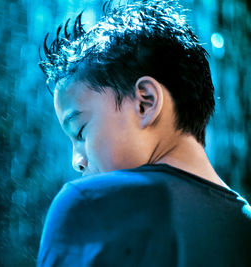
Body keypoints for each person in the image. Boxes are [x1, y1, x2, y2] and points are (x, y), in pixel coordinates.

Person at [36, 0, 251, 266]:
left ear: (145, 102)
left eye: (80, 130)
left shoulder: (91, 206)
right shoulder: (244, 226)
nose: (76, 161)